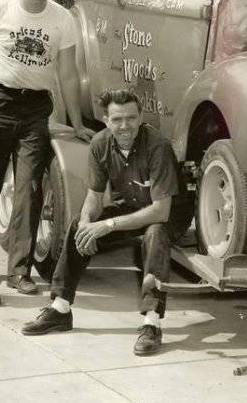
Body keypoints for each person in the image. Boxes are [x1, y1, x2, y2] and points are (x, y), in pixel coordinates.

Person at [20, 89, 193, 355]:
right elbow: (94, 196)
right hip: (133, 207)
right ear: (105, 120)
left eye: (131, 118)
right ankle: (60, 308)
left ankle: (152, 323)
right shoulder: (100, 144)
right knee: (79, 224)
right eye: (117, 119)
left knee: (155, 234)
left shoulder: (158, 146)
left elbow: (161, 211)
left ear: (141, 117)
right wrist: (89, 224)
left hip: (168, 214)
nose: (125, 126)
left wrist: (107, 226)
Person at [0, 0, 93, 294]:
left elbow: (68, 74)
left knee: (29, 189)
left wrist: (78, 122)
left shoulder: (62, 18)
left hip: (35, 110)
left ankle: (20, 271)